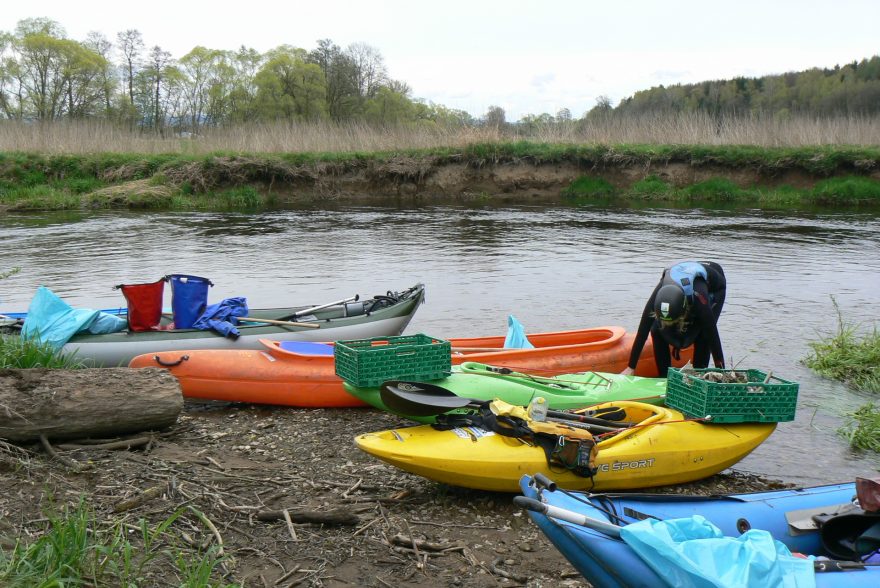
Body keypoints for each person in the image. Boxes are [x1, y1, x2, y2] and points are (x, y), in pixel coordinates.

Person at [621, 261, 727, 377]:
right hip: (685, 275)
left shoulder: (699, 298)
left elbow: (713, 336)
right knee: (656, 329)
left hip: (715, 287)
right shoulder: (658, 296)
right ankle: (664, 376)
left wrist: (722, 372)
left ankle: (699, 374)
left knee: (703, 333)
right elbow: (642, 331)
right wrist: (631, 367)